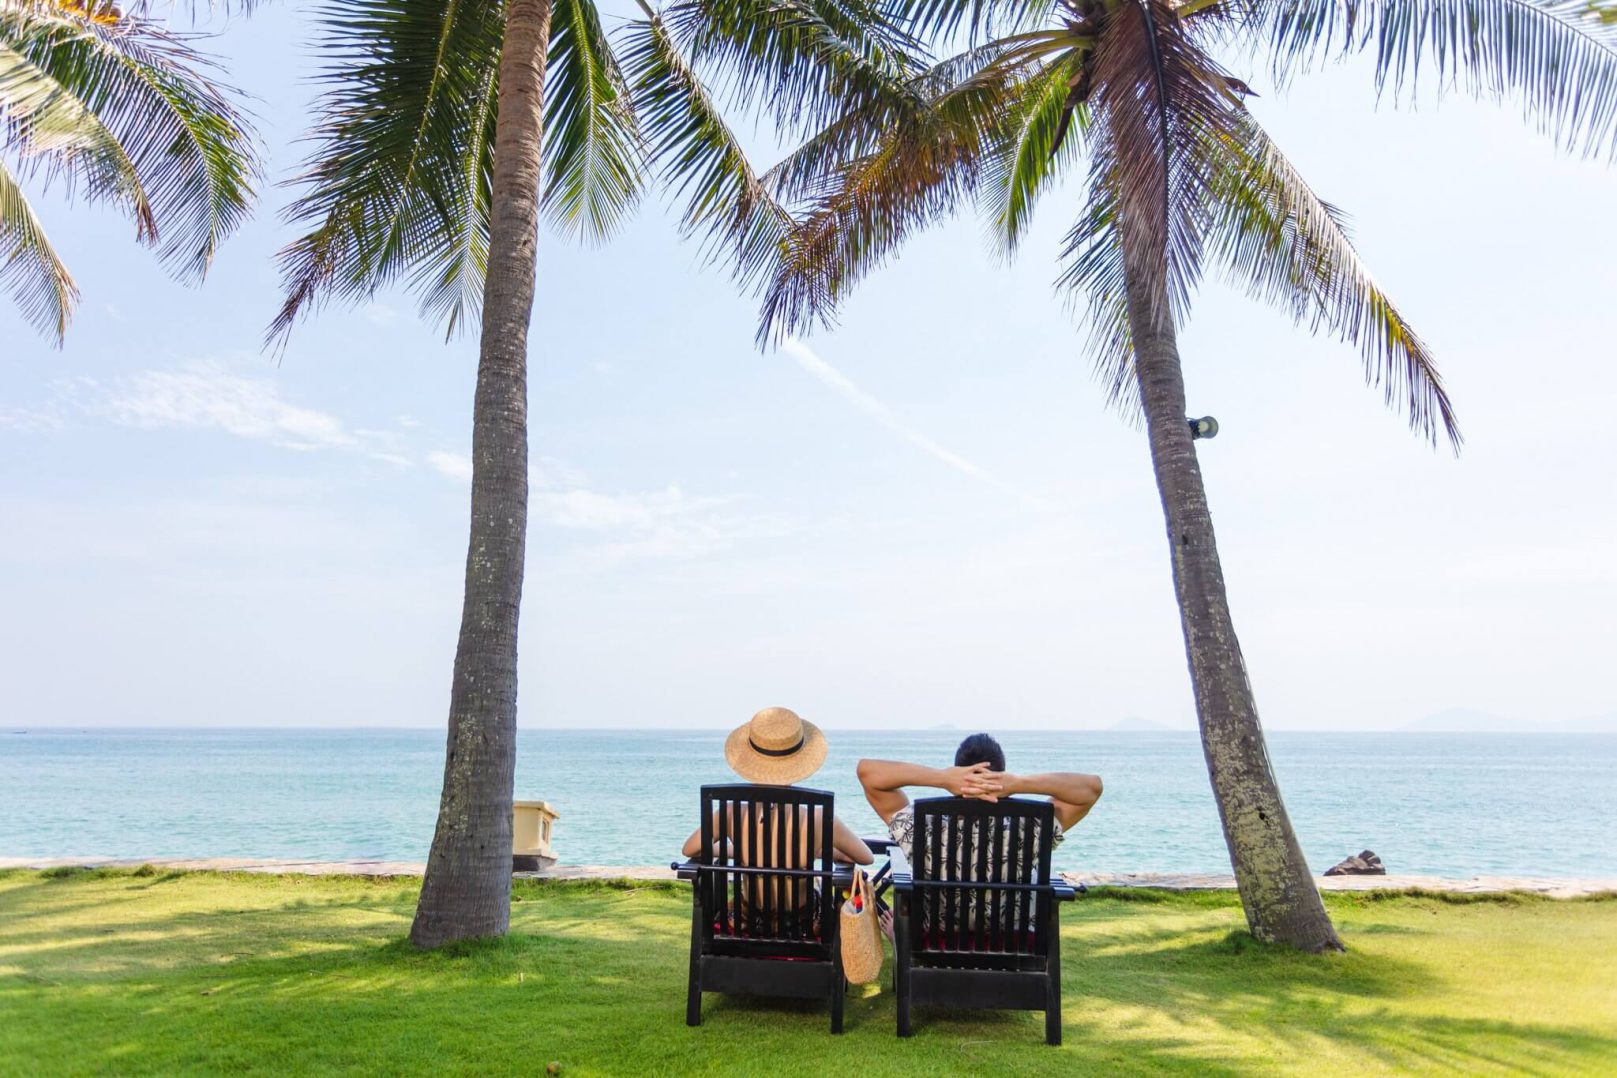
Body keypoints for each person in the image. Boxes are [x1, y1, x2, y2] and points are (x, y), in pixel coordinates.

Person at [683, 707, 872, 935]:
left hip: (747, 922)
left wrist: (740, 851)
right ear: (799, 763)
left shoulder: (730, 812)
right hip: (802, 927)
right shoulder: (819, 817)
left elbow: (690, 849)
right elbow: (865, 857)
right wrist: (815, 851)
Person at [857, 732, 1102, 875]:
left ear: (958, 775)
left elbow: (867, 772)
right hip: (1011, 940)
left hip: (934, 938)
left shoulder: (922, 829)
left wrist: (942, 778)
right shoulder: (1029, 831)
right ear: (1002, 776)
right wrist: (1020, 783)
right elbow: (1091, 788)